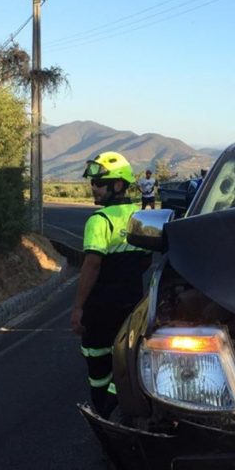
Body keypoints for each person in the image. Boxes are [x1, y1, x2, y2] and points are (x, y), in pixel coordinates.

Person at [70, 151, 151, 418]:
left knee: (97, 358)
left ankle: (103, 410)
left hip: (101, 304)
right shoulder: (139, 217)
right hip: (133, 302)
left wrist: (78, 308)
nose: (93, 187)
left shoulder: (99, 221)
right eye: (93, 182)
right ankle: (121, 400)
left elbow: (91, 266)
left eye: (99, 183)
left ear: (118, 185)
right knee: (127, 355)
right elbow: (146, 260)